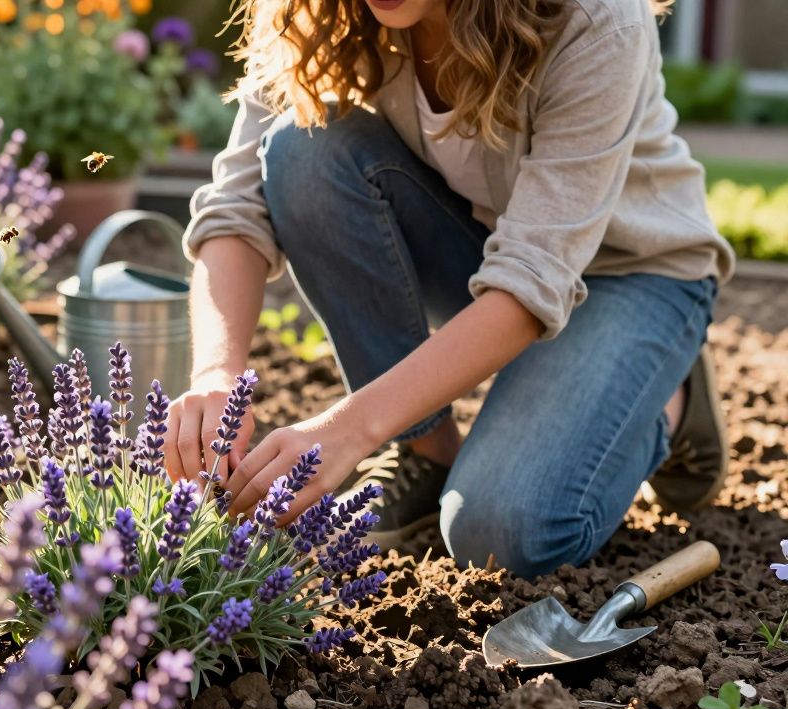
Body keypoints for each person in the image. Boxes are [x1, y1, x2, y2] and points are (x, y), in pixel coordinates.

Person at [167, 0, 735, 578]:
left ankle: (666, 393)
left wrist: (348, 431)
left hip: (632, 275)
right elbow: (236, 207)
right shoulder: (315, 12)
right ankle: (427, 453)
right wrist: (216, 374)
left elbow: (530, 278)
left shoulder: (596, 20)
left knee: (498, 534)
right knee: (302, 153)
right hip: (484, 257)